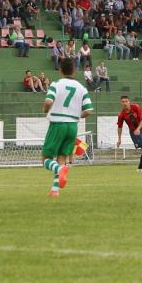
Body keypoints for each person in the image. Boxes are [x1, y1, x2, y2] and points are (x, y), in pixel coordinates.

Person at [42, 57, 93, 197]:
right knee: (62, 157)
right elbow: (89, 110)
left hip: (58, 124)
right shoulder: (81, 88)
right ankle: (55, 190)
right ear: (75, 70)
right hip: (73, 126)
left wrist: (46, 110)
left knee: (45, 158)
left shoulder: (56, 84)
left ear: (60, 70)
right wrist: (76, 115)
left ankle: (59, 169)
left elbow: (48, 101)